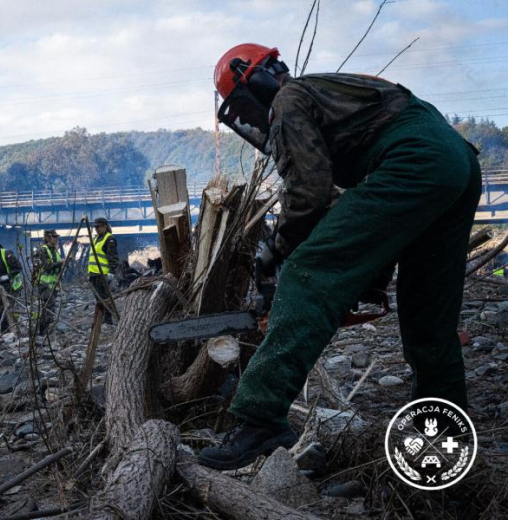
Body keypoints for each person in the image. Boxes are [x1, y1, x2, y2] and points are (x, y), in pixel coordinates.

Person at [198, 43, 481, 470]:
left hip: (415, 160)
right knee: (429, 321)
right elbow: (364, 214)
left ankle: (260, 418)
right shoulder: (325, 93)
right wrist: (366, 273)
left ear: (253, 82)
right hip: (455, 163)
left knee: (306, 274)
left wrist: (277, 250)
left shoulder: (288, 99)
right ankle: (445, 448)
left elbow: (309, 193)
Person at [89, 217, 119, 325]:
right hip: (94, 274)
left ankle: (108, 319)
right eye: (95, 227)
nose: (96, 229)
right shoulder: (96, 239)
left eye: (98, 227)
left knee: (105, 297)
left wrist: (111, 272)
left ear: (105, 226)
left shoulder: (109, 239)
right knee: (98, 298)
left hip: (102, 274)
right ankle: (102, 320)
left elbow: (113, 257)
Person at [33, 229, 64, 334]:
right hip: (44, 284)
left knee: (51, 308)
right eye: (54, 237)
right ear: (47, 238)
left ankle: (45, 330)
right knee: (48, 307)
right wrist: (60, 263)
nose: (56, 239)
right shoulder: (43, 250)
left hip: (53, 285)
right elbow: (46, 266)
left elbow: (56, 267)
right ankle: (42, 331)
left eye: (56, 237)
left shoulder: (54, 251)